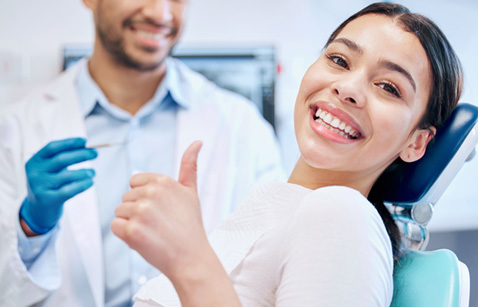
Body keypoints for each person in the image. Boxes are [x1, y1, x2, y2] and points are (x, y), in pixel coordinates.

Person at [111, 2, 464, 306]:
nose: (347, 87)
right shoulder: (276, 209)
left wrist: (189, 258)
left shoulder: (342, 215)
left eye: (388, 87)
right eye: (339, 60)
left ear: (416, 142)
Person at [0, 0, 284, 306]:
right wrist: (30, 228)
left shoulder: (242, 125)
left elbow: (272, 272)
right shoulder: (18, 128)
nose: (159, 13)